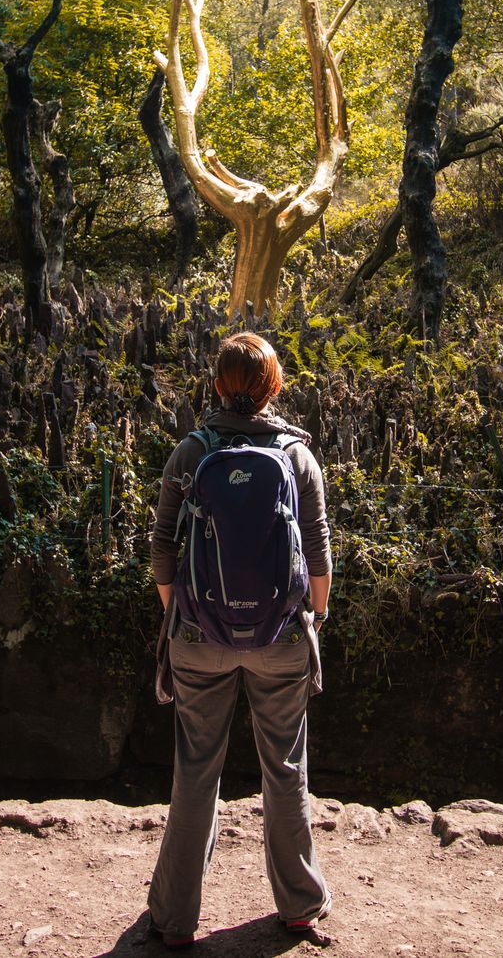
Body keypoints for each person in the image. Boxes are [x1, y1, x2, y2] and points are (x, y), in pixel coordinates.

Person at [147, 332, 332, 951]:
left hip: (198, 636)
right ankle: (300, 906)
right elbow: (319, 551)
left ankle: (174, 921)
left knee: (196, 771)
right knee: (285, 767)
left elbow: (163, 548)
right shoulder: (297, 456)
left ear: (217, 385)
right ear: (273, 386)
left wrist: (183, 617)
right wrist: (313, 619)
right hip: (281, 636)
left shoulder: (191, 451)